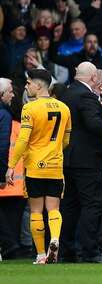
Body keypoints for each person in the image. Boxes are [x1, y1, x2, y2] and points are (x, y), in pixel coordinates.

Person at [4, 70, 71, 264]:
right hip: (55, 166)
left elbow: (23, 139)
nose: (26, 86)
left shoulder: (30, 109)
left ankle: (41, 254)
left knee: (35, 211)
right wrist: (53, 148)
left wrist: (11, 166)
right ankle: (55, 239)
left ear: (38, 85)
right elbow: (66, 139)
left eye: (28, 83)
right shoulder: (64, 108)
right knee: (54, 209)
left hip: (34, 166)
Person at [59, 62, 102, 263]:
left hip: (68, 159)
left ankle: (67, 251)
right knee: (92, 204)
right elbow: (94, 124)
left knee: (69, 206)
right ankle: (89, 251)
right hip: (87, 160)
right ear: (93, 78)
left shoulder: (67, 93)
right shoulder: (86, 96)